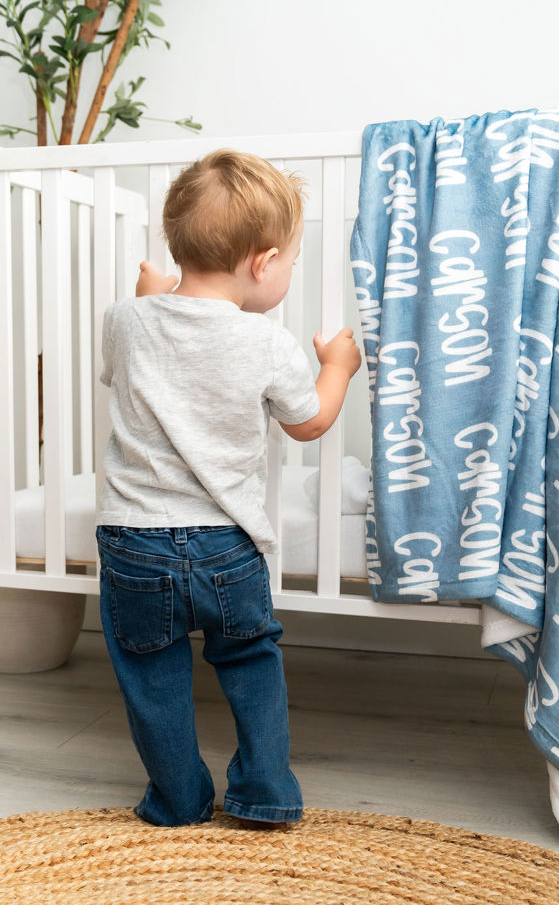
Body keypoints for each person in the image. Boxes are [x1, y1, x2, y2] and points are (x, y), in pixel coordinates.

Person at [95, 149, 361, 830]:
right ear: (263, 262)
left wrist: (153, 289)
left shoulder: (124, 319)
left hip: (134, 541)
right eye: (291, 261)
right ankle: (266, 791)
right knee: (249, 661)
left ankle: (177, 799)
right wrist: (338, 366)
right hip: (226, 543)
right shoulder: (268, 344)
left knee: (151, 678)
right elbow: (309, 424)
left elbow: (157, 338)